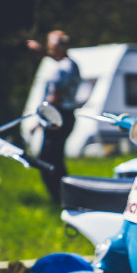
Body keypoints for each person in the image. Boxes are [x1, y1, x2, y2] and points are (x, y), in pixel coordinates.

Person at [26, 30, 81, 205]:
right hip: (64, 115)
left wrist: (42, 119)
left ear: (60, 47)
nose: (49, 51)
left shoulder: (63, 67)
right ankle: (63, 197)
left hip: (58, 116)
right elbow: (52, 59)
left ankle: (60, 198)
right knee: (55, 159)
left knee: (47, 161)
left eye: (51, 47)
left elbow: (55, 97)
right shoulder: (70, 64)